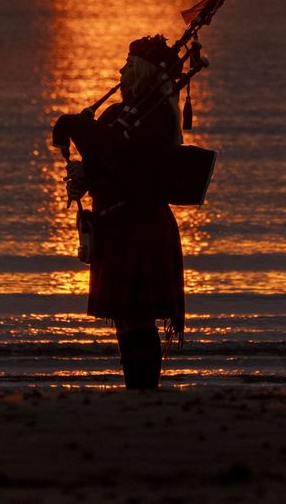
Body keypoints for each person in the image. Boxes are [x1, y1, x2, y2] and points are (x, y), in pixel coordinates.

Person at [65, 34, 185, 390]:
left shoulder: (157, 117)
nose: (121, 70)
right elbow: (106, 160)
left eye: (130, 64)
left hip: (140, 223)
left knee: (138, 316)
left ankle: (143, 390)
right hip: (116, 223)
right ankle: (135, 386)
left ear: (146, 72)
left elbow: (131, 165)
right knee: (124, 316)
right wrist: (84, 177)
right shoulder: (120, 114)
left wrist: (86, 141)